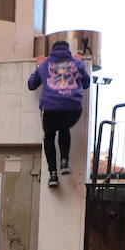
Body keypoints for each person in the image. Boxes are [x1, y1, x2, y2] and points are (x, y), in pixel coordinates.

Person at [27, 39, 91, 188]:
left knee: (49, 137)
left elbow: (31, 85)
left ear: (52, 51)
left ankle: (53, 174)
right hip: (73, 110)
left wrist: (38, 66)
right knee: (64, 128)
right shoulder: (76, 63)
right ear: (68, 50)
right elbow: (87, 83)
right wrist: (80, 64)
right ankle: (64, 162)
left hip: (51, 109)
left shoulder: (44, 64)